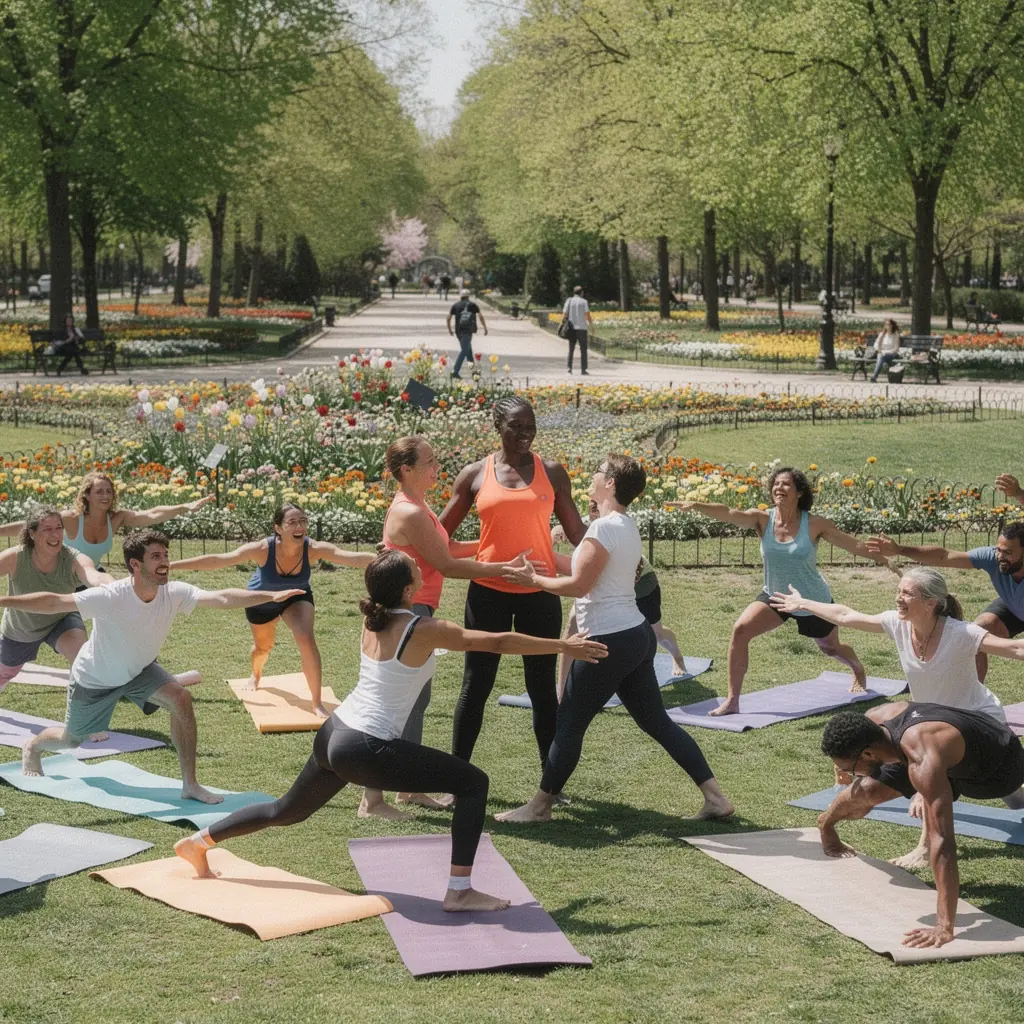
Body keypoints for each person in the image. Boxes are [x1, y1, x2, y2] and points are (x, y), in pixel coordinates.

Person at [172, 549, 607, 910]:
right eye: (417, 569)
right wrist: (562, 644)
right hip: (364, 745)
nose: (422, 568)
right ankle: (459, 891)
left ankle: (199, 842)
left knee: (285, 810)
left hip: (335, 732)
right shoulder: (422, 629)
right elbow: (496, 641)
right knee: (473, 783)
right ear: (407, 589)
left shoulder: (374, 618)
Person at [496, 456, 733, 823]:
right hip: (635, 636)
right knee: (656, 722)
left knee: (569, 723)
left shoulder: (603, 528)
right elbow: (587, 570)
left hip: (607, 641)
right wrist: (544, 560)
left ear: (610, 483)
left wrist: (534, 581)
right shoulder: (624, 525)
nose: (593, 475)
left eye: (599, 471)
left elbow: (579, 585)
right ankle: (716, 798)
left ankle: (539, 807)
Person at [15, 529, 306, 801]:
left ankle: (190, 785)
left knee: (181, 698)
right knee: (70, 740)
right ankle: (33, 746)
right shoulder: (111, 596)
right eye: (156, 556)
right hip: (95, 679)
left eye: (165, 555)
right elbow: (54, 602)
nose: (165, 561)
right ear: (135, 564)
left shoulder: (173, 592)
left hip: (139, 670)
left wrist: (269, 596)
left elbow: (221, 597)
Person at [359, 436, 534, 819]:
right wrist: (504, 568)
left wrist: (497, 545)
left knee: (415, 700)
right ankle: (372, 800)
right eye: (430, 462)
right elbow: (448, 565)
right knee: (397, 703)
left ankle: (407, 788)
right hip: (407, 611)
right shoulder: (409, 512)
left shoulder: (419, 506)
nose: (437, 468)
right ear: (406, 470)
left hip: (415, 608)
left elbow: (448, 548)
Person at [439, 395, 587, 766]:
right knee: (476, 686)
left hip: (540, 591)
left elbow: (577, 533)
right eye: (515, 427)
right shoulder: (475, 474)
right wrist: (400, 543)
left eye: (530, 427)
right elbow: (439, 532)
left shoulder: (552, 473)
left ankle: (550, 784)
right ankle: (458, 780)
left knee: (542, 688)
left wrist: (615, 551)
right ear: (498, 427)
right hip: (488, 592)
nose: (524, 434)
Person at [668, 467, 885, 716]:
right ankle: (732, 701)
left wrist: (884, 556)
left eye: (786, 484)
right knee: (740, 630)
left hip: (811, 599)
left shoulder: (815, 524)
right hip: (775, 595)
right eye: (776, 484)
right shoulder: (762, 519)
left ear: (799, 492)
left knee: (830, 648)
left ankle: (857, 667)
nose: (779, 488)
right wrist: (697, 505)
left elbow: (853, 545)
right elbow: (728, 513)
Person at [816, 701, 1024, 948]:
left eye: (850, 770)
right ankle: (826, 824)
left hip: (998, 769)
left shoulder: (922, 758)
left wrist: (944, 926)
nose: (851, 776)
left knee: (926, 787)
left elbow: (943, 842)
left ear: (868, 754)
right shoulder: (872, 721)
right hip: (942, 750)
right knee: (868, 791)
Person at [169, 504, 374, 719]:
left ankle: (316, 703)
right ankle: (256, 675)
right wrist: (172, 565)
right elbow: (219, 560)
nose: (299, 526)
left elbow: (352, 558)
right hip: (262, 600)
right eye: (292, 522)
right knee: (262, 648)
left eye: (303, 521)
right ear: (278, 528)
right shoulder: (262, 549)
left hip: (296, 597)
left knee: (306, 638)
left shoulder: (313, 548)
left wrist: (388, 556)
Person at [553, 499, 689, 695]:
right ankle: (563, 692)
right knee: (573, 623)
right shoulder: (585, 529)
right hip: (599, 583)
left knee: (656, 633)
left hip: (640, 584)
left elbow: (629, 575)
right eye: (593, 507)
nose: (595, 508)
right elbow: (559, 537)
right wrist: (553, 538)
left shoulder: (620, 527)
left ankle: (677, 657)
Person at [869, 520, 1024, 682]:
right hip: (1013, 604)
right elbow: (944, 556)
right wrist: (899, 550)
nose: (1000, 557)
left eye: (1008, 552)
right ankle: (971, 696)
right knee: (975, 635)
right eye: (999, 550)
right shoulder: (991, 558)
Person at [0, 471, 215, 571]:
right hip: (64, 576)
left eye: (108, 491)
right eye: (99, 492)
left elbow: (152, 514)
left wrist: (185, 507)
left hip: (93, 574)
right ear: (87, 495)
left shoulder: (117, 518)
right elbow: (31, 526)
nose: (105, 496)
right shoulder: (72, 519)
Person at [446, 288, 488, 379]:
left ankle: (473, 372)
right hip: (468, 331)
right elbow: (481, 317)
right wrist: (485, 328)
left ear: (460, 296)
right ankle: (455, 371)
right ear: (468, 296)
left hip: (458, 331)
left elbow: (448, 318)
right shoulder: (473, 305)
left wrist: (449, 329)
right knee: (464, 351)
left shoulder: (455, 305)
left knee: (468, 352)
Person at [561, 285, 593, 375]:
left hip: (571, 328)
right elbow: (587, 315)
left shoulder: (569, 300)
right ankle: (583, 369)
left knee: (571, 349)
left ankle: (569, 369)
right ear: (581, 293)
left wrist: (561, 323)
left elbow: (565, 314)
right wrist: (591, 326)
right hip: (582, 328)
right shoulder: (584, 302)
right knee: (583, 350)